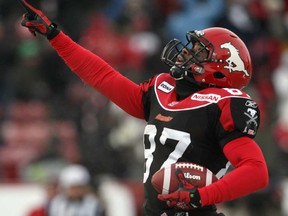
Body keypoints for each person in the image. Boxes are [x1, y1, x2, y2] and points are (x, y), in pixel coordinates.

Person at [19, 1, 269, 215]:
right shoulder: (163, 91)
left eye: (197, 52)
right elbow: (101, 76)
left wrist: (201, 196)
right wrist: (54, 35)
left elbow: (256, 171)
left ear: (219, 67)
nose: (184, 54)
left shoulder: (223, 104)